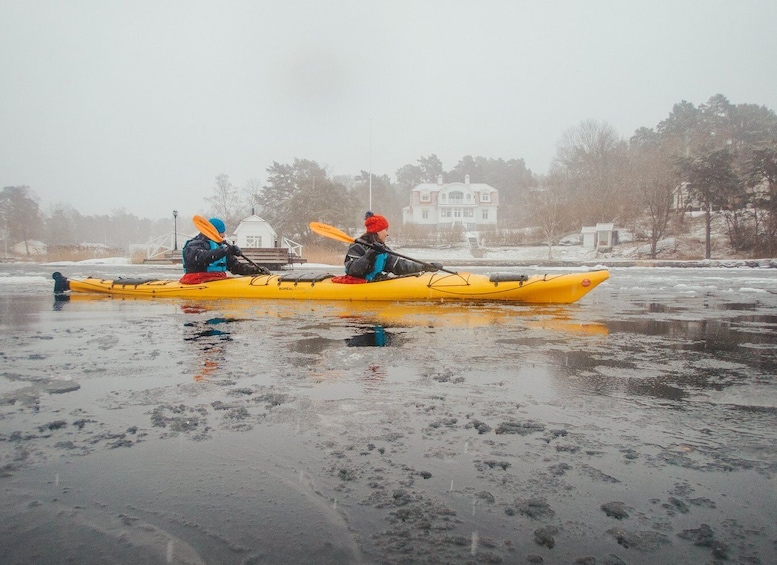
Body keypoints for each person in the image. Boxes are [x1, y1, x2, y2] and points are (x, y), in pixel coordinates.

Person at [343, 212, 442, 281]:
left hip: (373, 283)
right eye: (385, 230)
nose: (387, 234)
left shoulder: (382, 249)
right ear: (377, 231)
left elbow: (400, 266)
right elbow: (353, 271)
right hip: (356, 284)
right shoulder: (357, 246)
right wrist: (370, 254)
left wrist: (425, 267)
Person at [180, 217, 270, 284]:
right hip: (197, 281)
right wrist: (225, 251)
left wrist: (255, 271)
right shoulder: (194, 245)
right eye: (221, 232)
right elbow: (201, 258)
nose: (223, 235)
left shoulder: (220, 247)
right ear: (213, 232)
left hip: (218, 280)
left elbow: (235, 267)